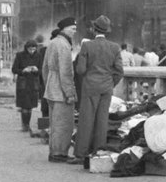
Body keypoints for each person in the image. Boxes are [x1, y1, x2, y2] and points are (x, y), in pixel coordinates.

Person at [69, 15, 123, 165]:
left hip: (90, 87)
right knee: (102, 120)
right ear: (107, 31)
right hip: (106, 88)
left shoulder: (87, 46)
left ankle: (80, 155)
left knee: (86, 120)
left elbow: (80, 70)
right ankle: (98, 153)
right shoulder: (115, 47)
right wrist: (110, 84)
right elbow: (119, 71)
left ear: (93, 29)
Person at [43, 17, 77, 163]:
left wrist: (48, 85)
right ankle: (60, 153)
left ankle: (54, 151)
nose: (74, 32)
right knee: (64, 124)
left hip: (51, 88)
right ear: (65, 29)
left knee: (54, 124)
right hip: (61, 91)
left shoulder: (52, 42)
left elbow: (44, 68)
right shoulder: (64, 45)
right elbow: (66, 72)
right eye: (72, 29)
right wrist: (70, 93)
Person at [12, 40, 42, 132]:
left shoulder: (39, 56)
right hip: (23, 83)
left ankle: (27, 124)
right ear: (26, 48)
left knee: (30, 106)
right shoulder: (20, 55)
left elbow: (42, 70)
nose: (32, 51)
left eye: (34, 49)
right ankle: (25, 125)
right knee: (24, 105)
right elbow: (14, 69)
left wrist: (36, 70)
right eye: (30, 49)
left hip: (34, 83)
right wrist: (23, 70)